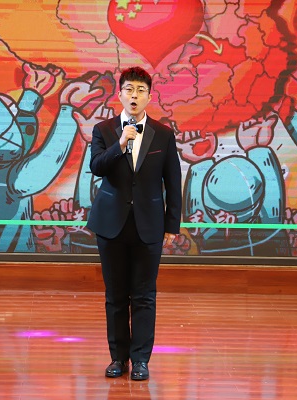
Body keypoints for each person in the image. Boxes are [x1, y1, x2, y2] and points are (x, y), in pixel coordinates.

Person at [86, 66, 182, 380]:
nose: (134, 96)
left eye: (141, 90)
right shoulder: (103, 130)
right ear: (120, 94)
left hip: (149, 224)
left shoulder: (163, 133)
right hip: (111, 223)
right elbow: (97, 167)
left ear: (149, 96)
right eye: (129, 89)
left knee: (144, 295)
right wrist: (120, 144)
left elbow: (173, 180)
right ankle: (118, 358)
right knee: (115, 295)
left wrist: (172, 224)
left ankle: (141, 360)